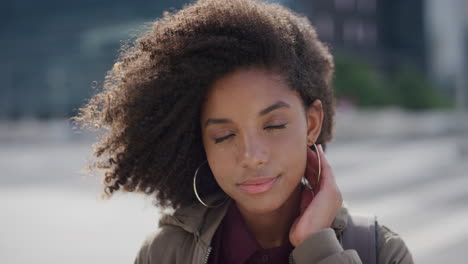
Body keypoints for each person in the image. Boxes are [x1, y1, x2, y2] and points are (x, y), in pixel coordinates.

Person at [72, 0, 414, 263]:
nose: (251, 155)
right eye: (223, 135)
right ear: (202, 142)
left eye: (274, 125)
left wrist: (319, 248)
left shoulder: (379, 251)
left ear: (311, 123)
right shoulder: (165, 254)